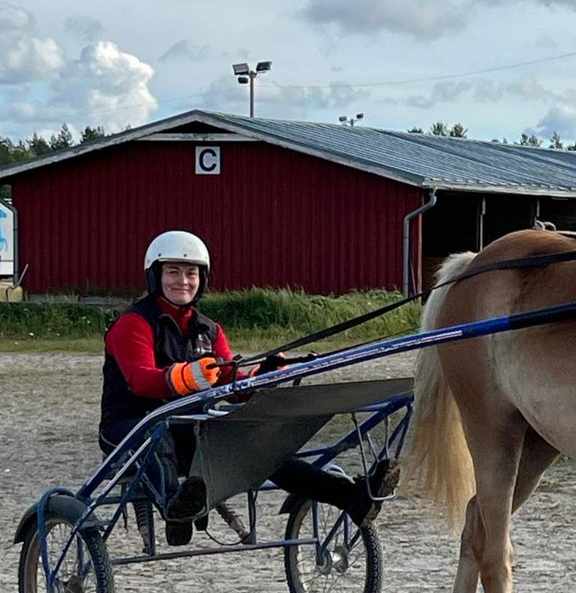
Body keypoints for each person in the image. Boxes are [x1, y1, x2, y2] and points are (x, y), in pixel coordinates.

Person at [100, 230, 398, 547]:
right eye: (172, 272)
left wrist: (261, 375)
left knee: (260, 448)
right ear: (154, 275)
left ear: (203, 278)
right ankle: (177, 512)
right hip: (129, 430)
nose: (183, 281)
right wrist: (186, 377)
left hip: (191, 432)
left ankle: (350, 497)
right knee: (157, 432)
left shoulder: (209, 330)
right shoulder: (133, 323)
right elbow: (140, 380)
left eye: (191, 273)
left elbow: (230, 384)